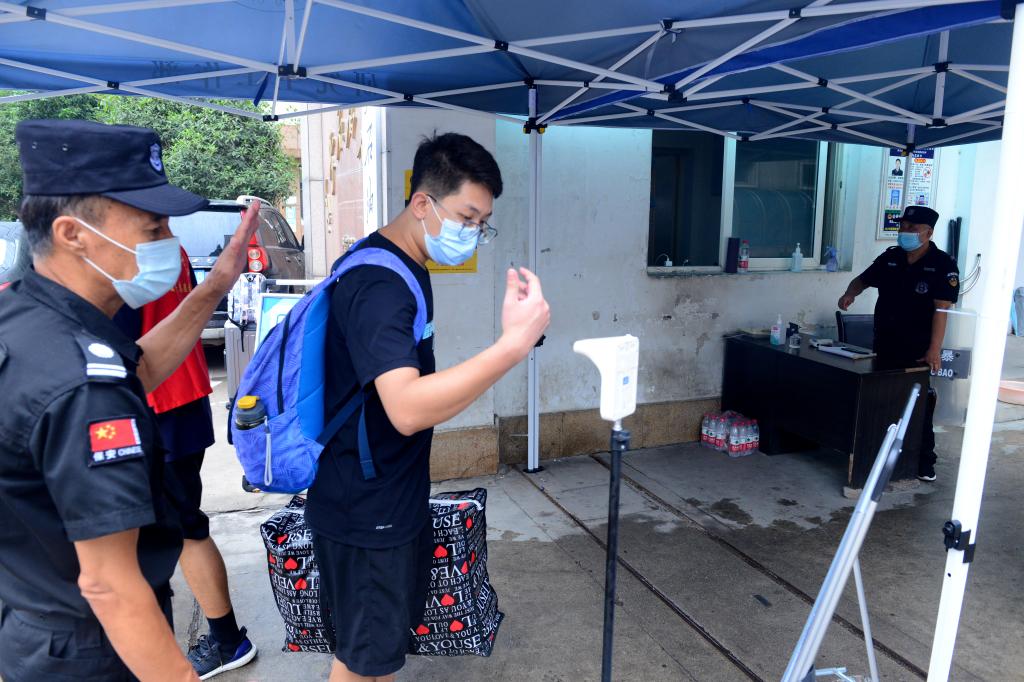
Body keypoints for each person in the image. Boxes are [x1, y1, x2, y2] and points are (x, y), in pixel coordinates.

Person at [0, 119, 259, 681]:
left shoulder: (27, 315)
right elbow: (110, 585)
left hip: (35, 629)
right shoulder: (83, 384)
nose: (169, 240)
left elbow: (135, 370)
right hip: (95, 651)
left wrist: (216, 285)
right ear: (73, 234)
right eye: (153, 225)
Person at [305, 132, 550, 682]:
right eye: (467, 218)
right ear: (422, 203)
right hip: (365, 509)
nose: (474, 233)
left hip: (386, 494)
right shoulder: (379, 284)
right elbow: (407, 408)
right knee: (360, 660)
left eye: (482, 223)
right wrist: (511, 347)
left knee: (377, 653)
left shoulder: (402, 264)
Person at [114, 242, 257, 678]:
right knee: (183, 525)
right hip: (181, 395)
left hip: (156, 405)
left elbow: (112, 343)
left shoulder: (122, 246)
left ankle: (226, 641)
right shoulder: (163, 243)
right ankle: (224, 640)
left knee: (177, 529)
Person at [838, 205, 959, 482]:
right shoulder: (891, 257)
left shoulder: (943, 264)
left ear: (928, 233)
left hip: (918, 350)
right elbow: (862, 280)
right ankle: (881, 456)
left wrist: (934, 349)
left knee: (918, 405)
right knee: (884, 401)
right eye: (902, 227)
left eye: (912, 228)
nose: (905, 232)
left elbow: (942, 310)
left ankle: (924, 462)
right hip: (885, 343)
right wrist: (849, 294)